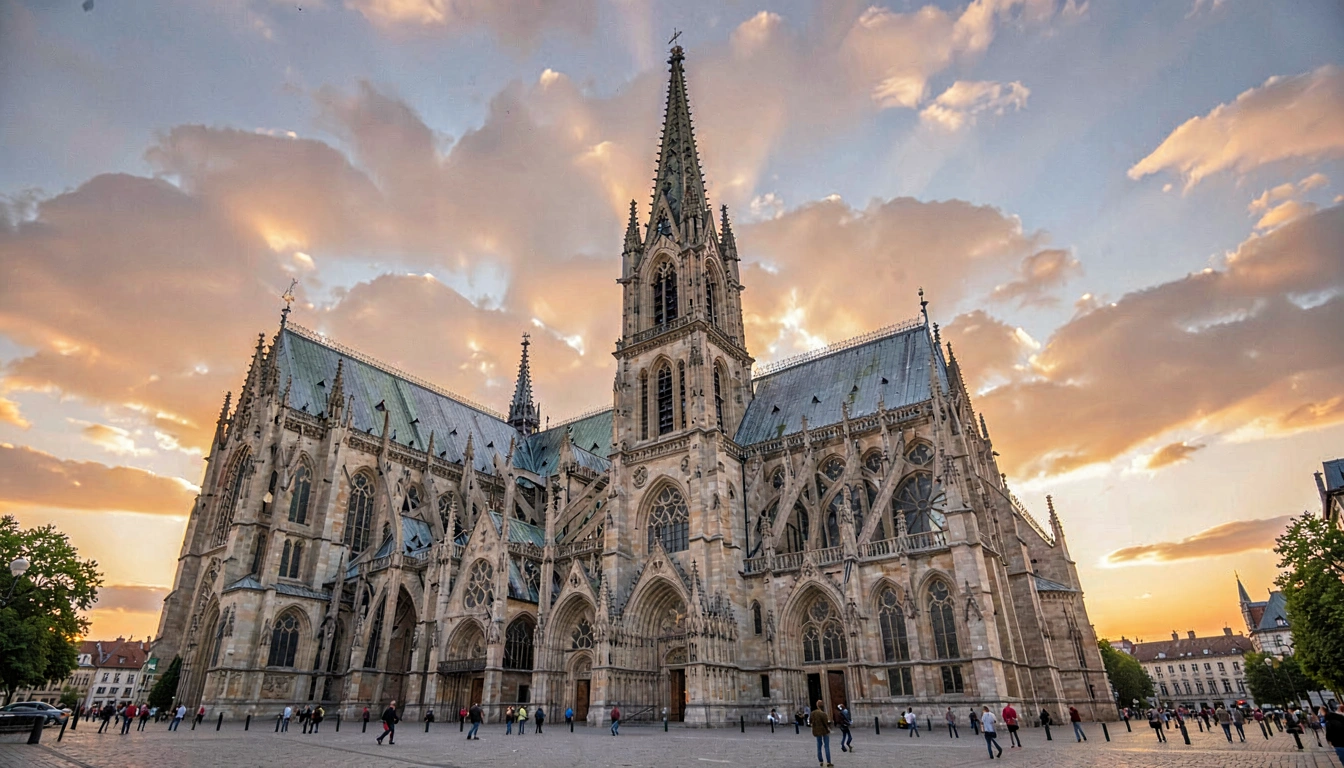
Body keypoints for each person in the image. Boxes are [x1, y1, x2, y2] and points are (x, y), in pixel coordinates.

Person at [811, 700, 833, 768]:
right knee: (826, 746)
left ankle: (821, 761)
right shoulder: (823, 714)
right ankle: (829, 762)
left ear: (817, 705)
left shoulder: (813, 713)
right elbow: (826, 723)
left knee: (819, 746)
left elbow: (810, 721)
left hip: (817, 731)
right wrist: (829, 728)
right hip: (824, 731)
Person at [1322, 702, 1344, 767]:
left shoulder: (1329, 722)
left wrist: (1329, 740)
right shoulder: (1342, 719)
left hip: (1338, 744)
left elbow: (1329, 734)